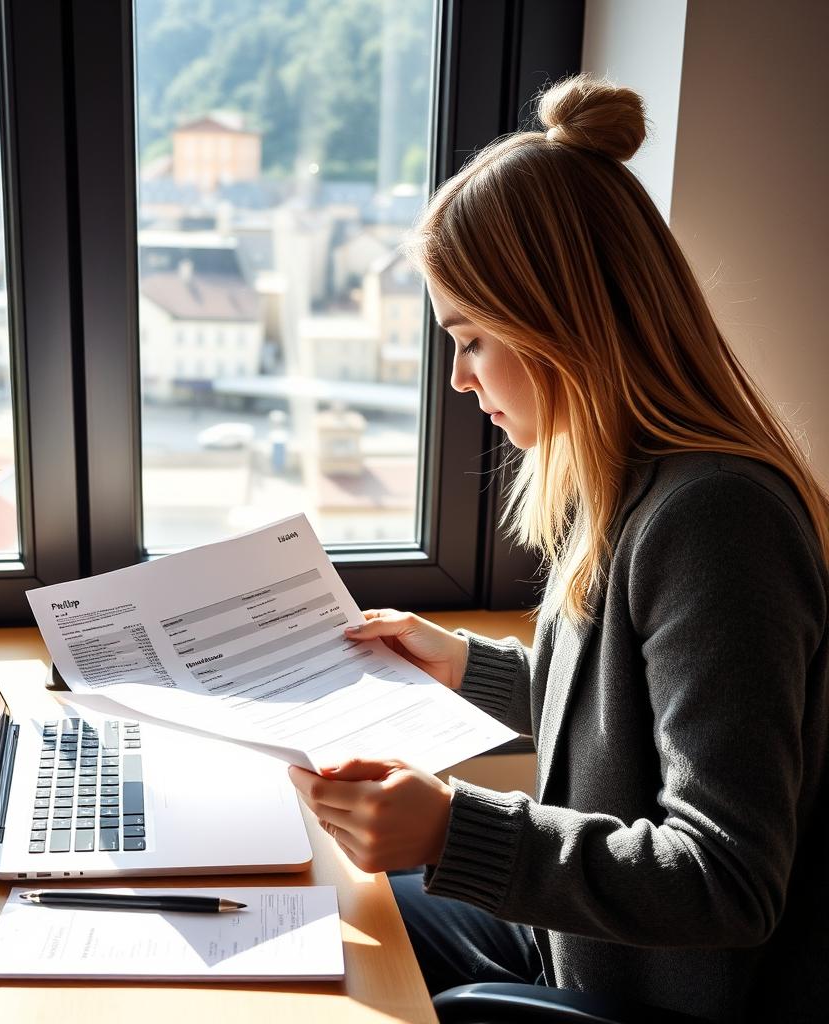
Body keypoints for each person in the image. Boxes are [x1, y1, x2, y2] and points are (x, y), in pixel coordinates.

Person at [288, 75, 829, 1023]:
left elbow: (727, 879)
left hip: (640, 995)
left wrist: (458, 830)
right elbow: (639, 716)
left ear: (559, 324)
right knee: (323, 914)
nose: (458, 378)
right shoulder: (635, 482)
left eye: (472, 339)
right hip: (576, 948)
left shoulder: (716, 520)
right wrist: (467, 669)